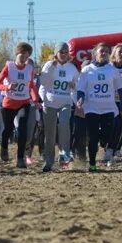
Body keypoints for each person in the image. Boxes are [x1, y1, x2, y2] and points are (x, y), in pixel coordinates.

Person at [76, 42, 122, 171]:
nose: (103, 53)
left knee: (106, 136)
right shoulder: (87, 70)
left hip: (109, 108)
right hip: (91, 108)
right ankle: (92, 164)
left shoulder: (112, 70)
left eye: (106, 51)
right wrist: (80, 100)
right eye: (101, 51)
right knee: (93, 138)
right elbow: (80, 89)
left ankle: (106, 146)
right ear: (95, 53)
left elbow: (121, 90)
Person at [0, 42, 42, 169]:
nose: (24, 59)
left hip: (24, 102)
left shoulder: (29, 69)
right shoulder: (9, 67)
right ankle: (4, 146)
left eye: (26, 57)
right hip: (9, 103)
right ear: (16, 54)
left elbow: (31, 85)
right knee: (8, 129)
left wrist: (35, 99)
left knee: (22, 130)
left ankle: (20, 158)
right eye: (22, 55)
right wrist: (7, 87)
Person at [39, 42, 78, 172]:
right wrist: (52, 66)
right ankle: (48, 161)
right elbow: (43, 82)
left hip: (65, 101)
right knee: (50, 133)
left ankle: (64, 153)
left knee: (64, 123)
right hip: (49, 102)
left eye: (66, 52)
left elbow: (78, 84)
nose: (64, 54)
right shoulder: (49, 65)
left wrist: (74, 86)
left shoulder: (72, 68)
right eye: (61, 52)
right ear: (56, 53)